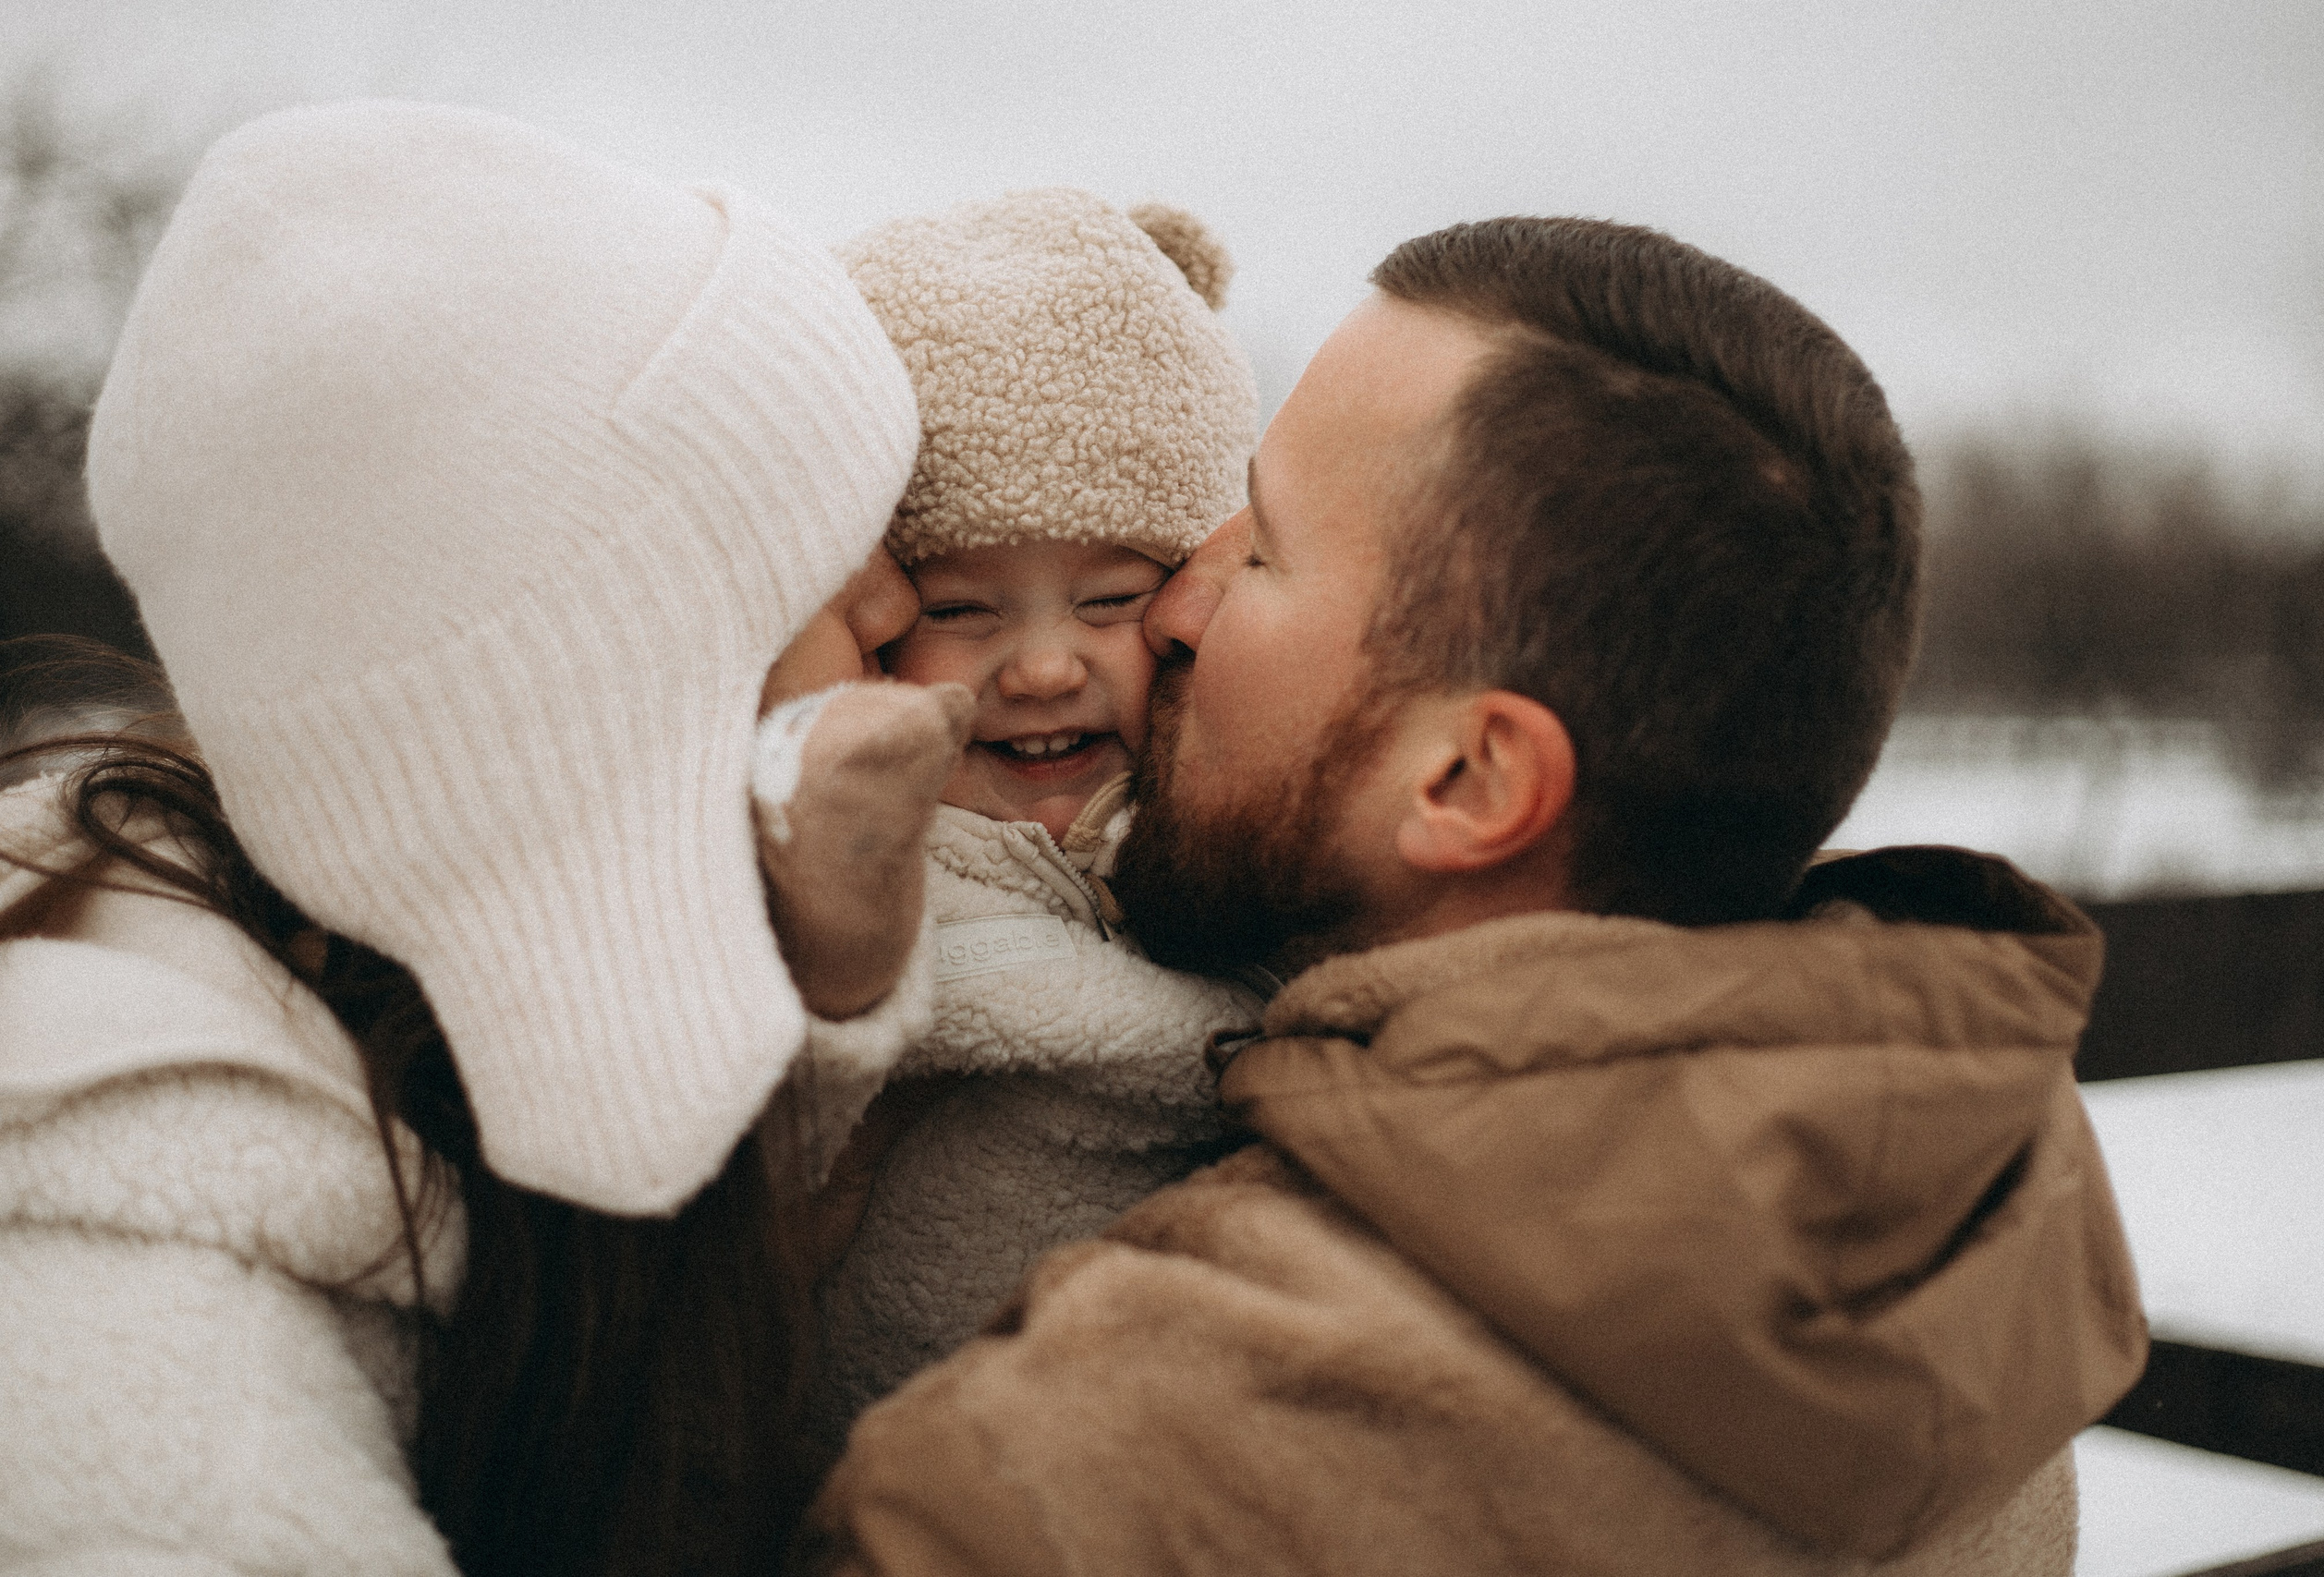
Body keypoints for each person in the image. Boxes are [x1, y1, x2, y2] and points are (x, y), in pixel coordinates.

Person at [805, 219, 2151, 1574]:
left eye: (1263, 552)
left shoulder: (1090, 1474)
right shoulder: (1945, 1239)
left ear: (1469, 780)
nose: (1172, 609)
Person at [0, 100, 964, 1576]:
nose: (902, 608)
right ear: (589, 704)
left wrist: (820, 1004)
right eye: (825, 558)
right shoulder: (157, 1383)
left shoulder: (358, 977)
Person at [804, 189, 1265, 1439]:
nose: (1046, 668)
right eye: (962, 610)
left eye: (1112, 597)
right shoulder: (853, 856)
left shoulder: (1231, 853)